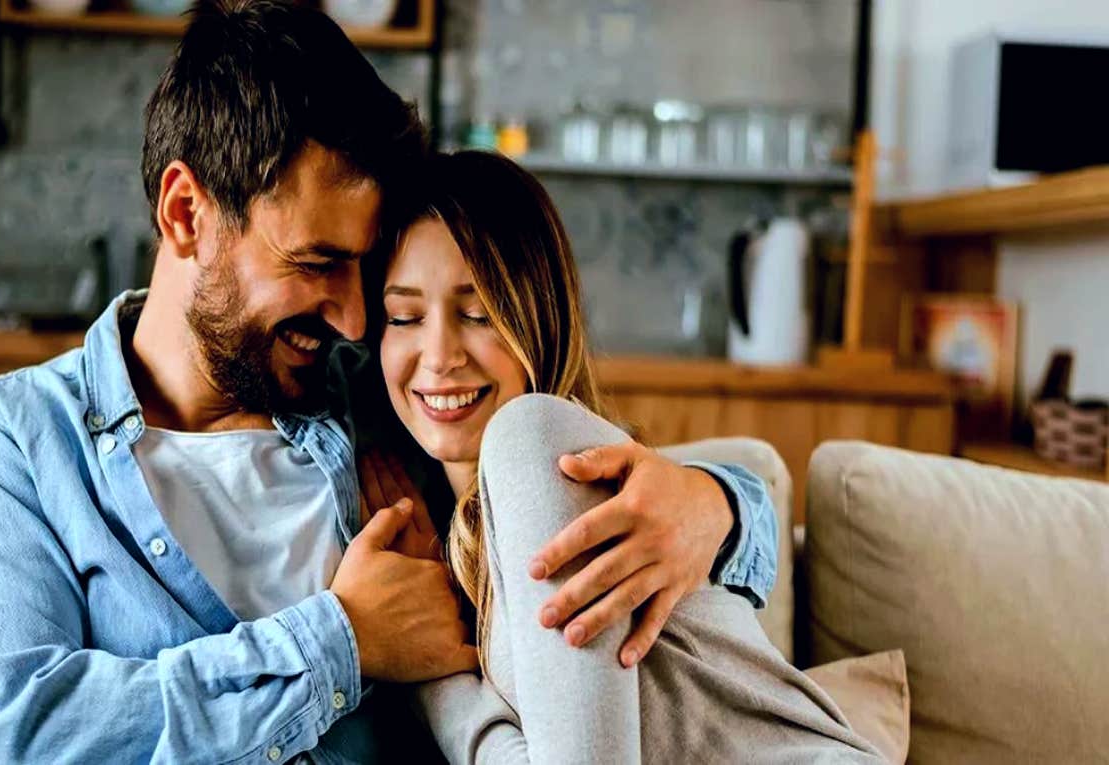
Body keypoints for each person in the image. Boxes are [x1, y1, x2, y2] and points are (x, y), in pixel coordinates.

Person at [0, 2, 778, 762]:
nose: (351, 317)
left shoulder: (383, 393)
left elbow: (599, 492)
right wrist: (344, 639)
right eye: (317, 262)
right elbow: (27, 732)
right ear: (187, 214)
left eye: (365, 272)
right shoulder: (16, 442)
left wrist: (719, 505)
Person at [365, 151, 883, 763]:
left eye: (479, 313)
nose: (438, 354)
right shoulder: (453, 529)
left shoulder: (534, 442)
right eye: (404, 317)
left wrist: (434, 682)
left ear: (540, 317)